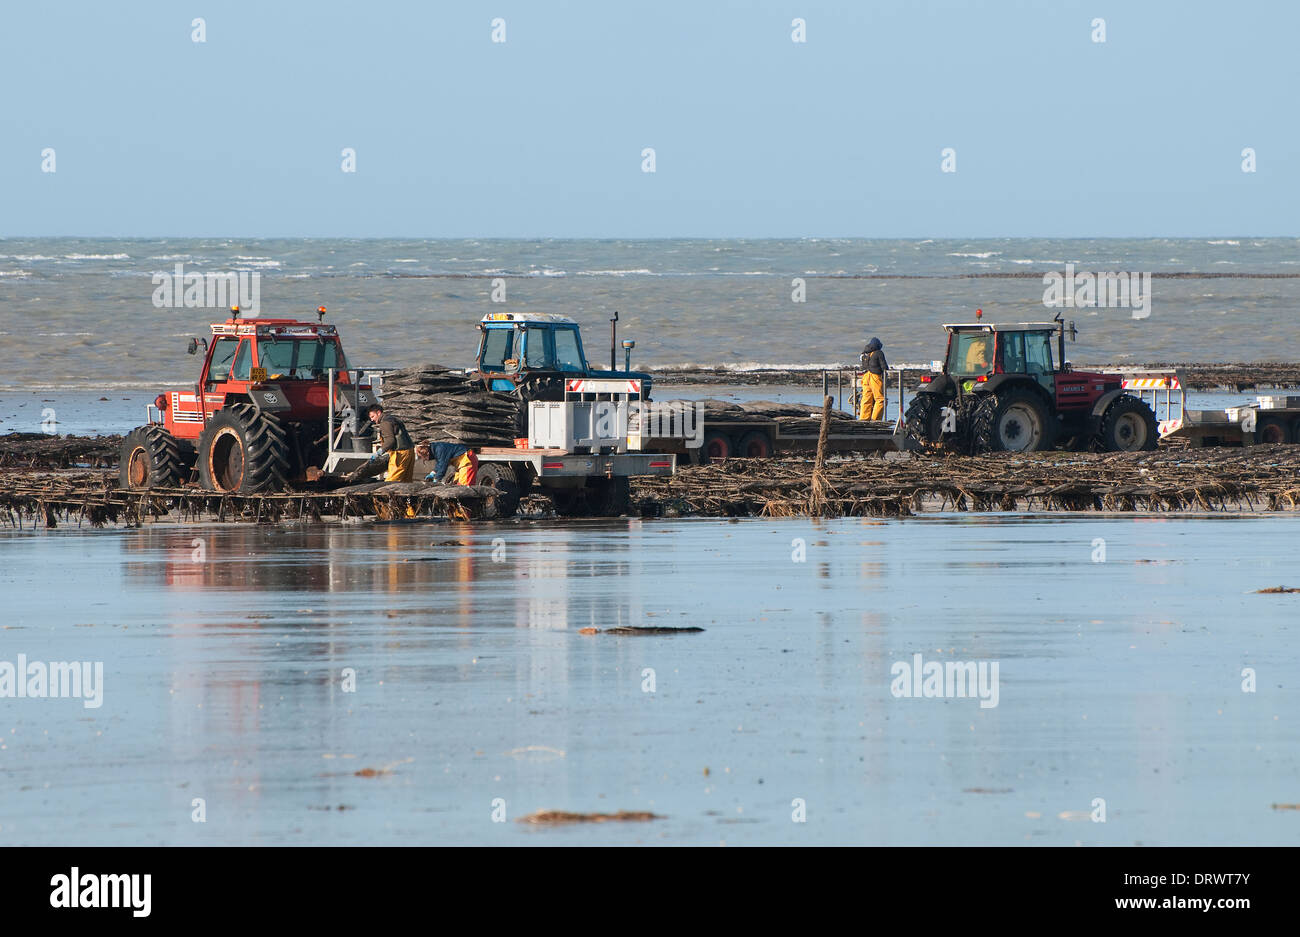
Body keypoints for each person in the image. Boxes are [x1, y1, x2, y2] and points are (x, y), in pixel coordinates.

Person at [367, 405, 415, 482]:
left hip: (400, 454)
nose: (372, 420)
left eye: (373, 416)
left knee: (391, 482)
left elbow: (390, 440)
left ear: (379, 413)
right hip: (410, 451)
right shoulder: (394, 419)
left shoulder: (385, 423)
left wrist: (379, 452)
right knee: (405, 482)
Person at [858, 336, 888, 421]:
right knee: (880, 399)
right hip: (875, 376)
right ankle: (875, 420)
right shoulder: (879, 353)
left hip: (865, 376)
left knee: (866, 398)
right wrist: (886, 373)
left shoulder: (864, 354)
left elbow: (863, 366)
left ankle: (863, 419)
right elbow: (884, 366)